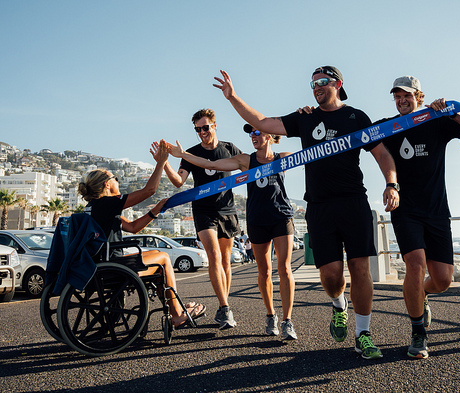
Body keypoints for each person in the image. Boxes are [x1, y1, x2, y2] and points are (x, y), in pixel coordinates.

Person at [212, 66, 399, 359]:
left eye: (323, 82)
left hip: (353, 202)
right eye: (313, 83)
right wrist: (232, 96)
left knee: (360, 269)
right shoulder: (305, 118)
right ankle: (339, 305)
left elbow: (382, 153)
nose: (317, 87)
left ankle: (363, 334)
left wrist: (392, 184)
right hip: (320, 207)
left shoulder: (357, 118)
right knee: (331, 275)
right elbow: (262, 121)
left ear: (338, 84)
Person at [376, 76, 460, 358]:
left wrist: (451, 110)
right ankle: (418, 332)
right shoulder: (387, 126)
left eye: (407, 96)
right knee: (415, 264)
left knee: (443, 280)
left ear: (420, 97)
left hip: (436, 210)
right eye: (397, 96)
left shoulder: (436, 119)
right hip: (404, 208)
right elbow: (353, 137)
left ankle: (421, 296)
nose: (402, 100)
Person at [165, 124, 298, 340]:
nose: (252, 136)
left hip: (281, 216)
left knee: (284, 269)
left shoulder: (283, 157)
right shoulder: (245, 160)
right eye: (250, 133)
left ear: (269, 135)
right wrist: (183, 155)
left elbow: (313, 154)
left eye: (257, 132)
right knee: (264, 272)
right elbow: (210, 163)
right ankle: (271, 315)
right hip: (257, 219)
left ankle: (287, 321)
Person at [77, 145, 206, 328]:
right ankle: (177, 315)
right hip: (111, 267)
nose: (118, 182)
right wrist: (161, 163)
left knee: (156, 257)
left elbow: (133, 227)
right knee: (163, 257)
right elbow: (149, 191)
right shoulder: (105, 203)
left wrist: (155, 211)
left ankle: (175, 310)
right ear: (107, 184)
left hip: (100, 265)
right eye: (116, 179)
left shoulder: (94, 207)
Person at [156, 108, 241, 330]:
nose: (202, 132)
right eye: (197, 129)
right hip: (203, 211)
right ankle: (224, 308)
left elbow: (250, 166)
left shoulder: (229, 148)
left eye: (205, 127)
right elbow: (178, 182)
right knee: (213, 256)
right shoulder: (191, 153)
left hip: (228, 210)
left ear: (214, 125)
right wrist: (165, 161)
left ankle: (225, 304)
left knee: (225, 261)